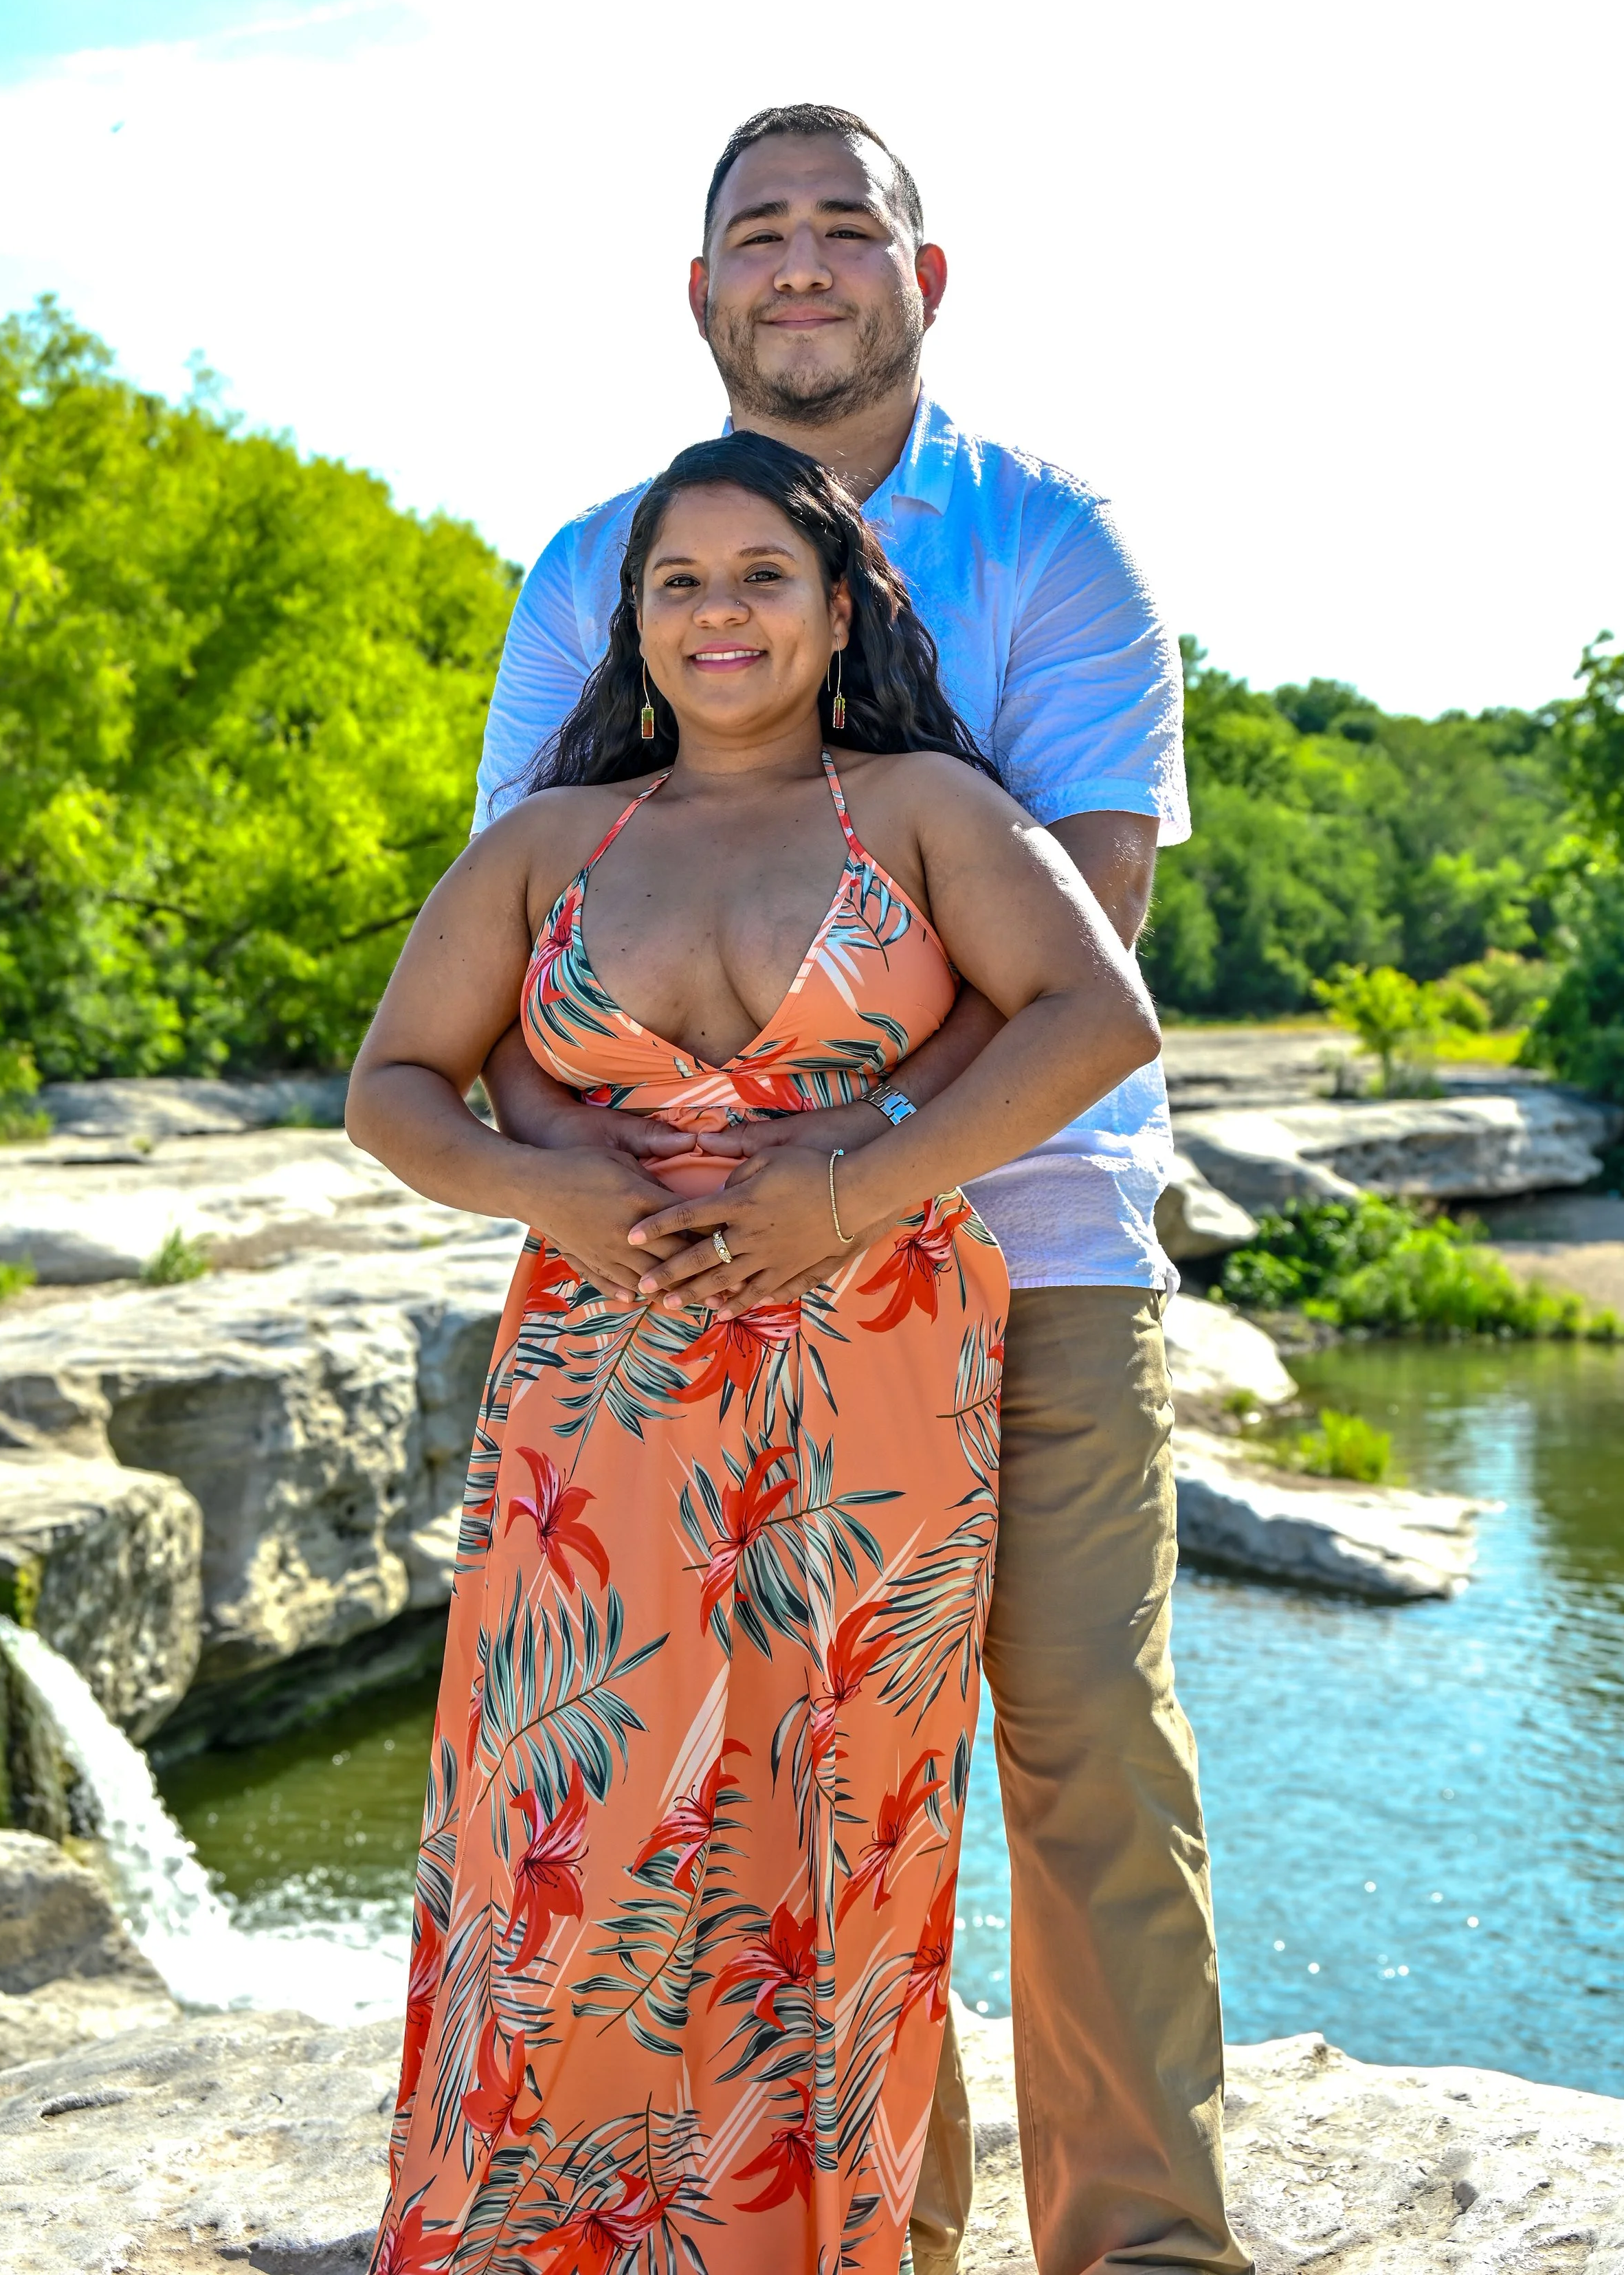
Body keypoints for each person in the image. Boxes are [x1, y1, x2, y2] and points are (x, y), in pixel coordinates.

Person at [469, 104, 1251, 2275]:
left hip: (1041, 1249)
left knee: (1082, 1734)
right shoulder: (594, 569)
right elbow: (531, 927)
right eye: (757, 231)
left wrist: (858, 1174)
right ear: (700, 290)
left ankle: (1144, 2249)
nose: (799, 261)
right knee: (783, 1773)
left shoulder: (1051, 542)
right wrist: (628, 1188)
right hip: (698, 1294)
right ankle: (855, 2234)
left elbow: (1092, 922)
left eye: (845, 225)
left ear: (927, 276)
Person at [348, 432, 1160, 2274]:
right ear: (631, 626)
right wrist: (534, 1187)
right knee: (562, 1806)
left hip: (872, 1357)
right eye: (678, 584)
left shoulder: (927, 806)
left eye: (761, 577)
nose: (720, 614)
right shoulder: (555, 838)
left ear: (841, 604)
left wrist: (864, 1182)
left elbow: (1096, 1015)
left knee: (838, 1810)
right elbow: (390, 1085)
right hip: (598, 1381)